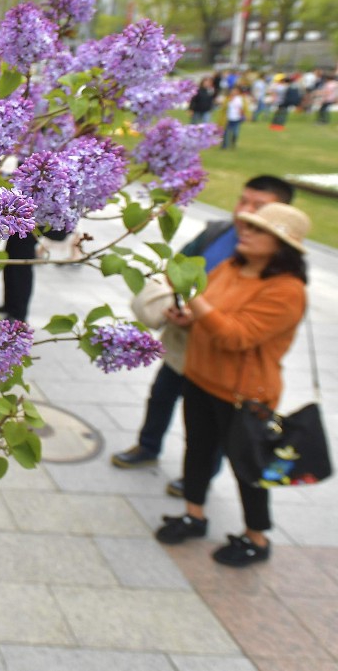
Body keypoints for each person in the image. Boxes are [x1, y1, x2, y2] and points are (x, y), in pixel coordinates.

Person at [110, 176, 295, 497]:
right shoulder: (218, 234)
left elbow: (243, 326)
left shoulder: (278, 273)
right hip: (184, 343)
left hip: (224, 362)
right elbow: (177, 269)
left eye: (258, 207)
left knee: (211, 429)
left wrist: (196, 307)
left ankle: (198, 480)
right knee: (163, 395)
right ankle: (148, 446)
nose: (245, 213)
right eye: (243, 201)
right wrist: (175, 301)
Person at [153, 202, 310, 567]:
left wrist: (195, 297)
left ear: (281, 245)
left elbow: (236, 336)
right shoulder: (230, 267)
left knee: (247, 468)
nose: (245, 231)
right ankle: (195, 515)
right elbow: (210, 319)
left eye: (258, 230)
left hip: (244, 394)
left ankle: (256, 538)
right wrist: (188, 318)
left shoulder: (288, 290)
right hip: (200, 376)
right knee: (197, 449)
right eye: (247, 225)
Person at [221, 81, 247, 149]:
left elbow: (244, 108)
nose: (234, 92)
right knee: (226, 133)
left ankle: (233, 143)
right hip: (228, 118)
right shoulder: (227, 99)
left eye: (236, 91)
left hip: (237, 118)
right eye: (233, 91)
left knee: (235, 133)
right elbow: (223, 108)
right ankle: (224, 145)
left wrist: (244, 114)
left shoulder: (241, 99)